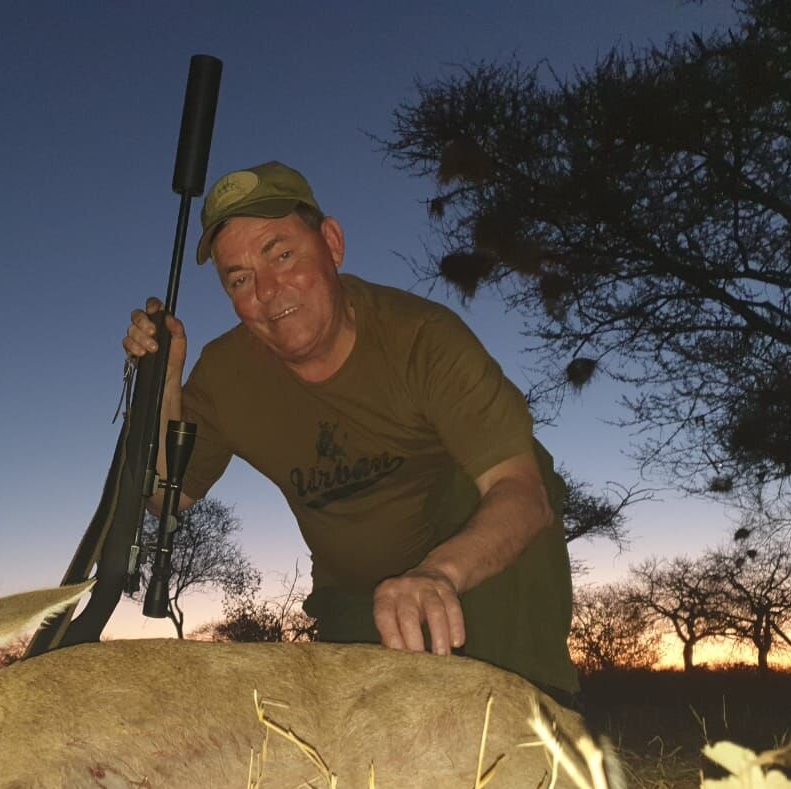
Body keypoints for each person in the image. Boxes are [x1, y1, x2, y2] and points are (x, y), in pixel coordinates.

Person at [123, 161, 578, 698]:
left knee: (523, 470)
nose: (268, 290)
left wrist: (439, 576)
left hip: (464, 576)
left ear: (332, 244)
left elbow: (523, 494)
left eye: (282, 254)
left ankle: (543, 706)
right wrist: (164, 382)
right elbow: (163, 499)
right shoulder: (225, 375)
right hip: (353, 599)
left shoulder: (422, 338)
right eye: (239, 279)